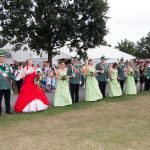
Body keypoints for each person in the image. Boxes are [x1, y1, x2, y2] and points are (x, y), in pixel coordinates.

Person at [0, 49, 15, 116]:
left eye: (3, 58)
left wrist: (15, 78)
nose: (2, 59)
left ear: (5, 59)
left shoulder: (8, 66)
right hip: (0, 85)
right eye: (0, 58)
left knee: (7, 99)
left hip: (7, 85)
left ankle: (8, 110)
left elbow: (10, 74)